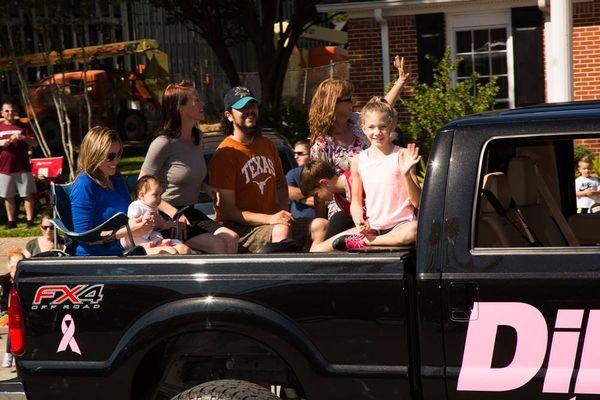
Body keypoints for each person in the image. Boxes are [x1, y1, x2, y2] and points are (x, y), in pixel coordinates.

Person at [209, 86, 328, 253]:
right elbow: (227, 211)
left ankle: (310, 276)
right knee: (281, 230)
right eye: (243, 107)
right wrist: (270, 219)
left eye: (253, 106)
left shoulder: (267, 144)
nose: (250, 110)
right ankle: (282, 278)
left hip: (273, 221)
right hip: (241, 229)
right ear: (229, 116)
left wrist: (282, 213)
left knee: (321, 225)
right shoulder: (225, 153)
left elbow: (280, 185)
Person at [308, 56, 408, 236]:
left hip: (377, 199)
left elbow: (382, 108)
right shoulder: (322, 144)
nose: (353, 102)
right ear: (333, 104)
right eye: (348, 99)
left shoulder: (356, 122)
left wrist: (400, 82)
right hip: (345, 208)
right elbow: (321, 189)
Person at [139, 81, 238, 254]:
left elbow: (185, 175)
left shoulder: (197, 138)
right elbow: (142, 185)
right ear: (181, 108)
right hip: (166, 217)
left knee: (231, 238)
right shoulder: (163, 143)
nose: (203, 104)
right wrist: (173, 213)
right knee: (218, 245)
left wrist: (206, 188)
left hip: (191, 212)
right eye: (196, 100)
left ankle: (225, 280)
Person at [311, 97, 421, 252]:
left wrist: (407, 174)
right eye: (371, 127)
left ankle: (368, 242)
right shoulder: (358, 161)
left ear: (392, 126)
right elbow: (355, 201)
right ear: (363, 128)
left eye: (383, 127)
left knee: (414, 231)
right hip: (372, 227)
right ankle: (367, 240)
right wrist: (358, 220)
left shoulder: (403, 155)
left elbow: (417, 202)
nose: (377, 132)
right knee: (320, 250)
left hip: (400, 226)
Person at [70, 126, 152, 256]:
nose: (116, 160)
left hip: (125, 247)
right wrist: (127, 231)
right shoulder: (84, 184)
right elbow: (84, 237)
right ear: (94, 155)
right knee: (169, 254)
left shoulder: (116, 178)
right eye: (110, 156)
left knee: (181, 250)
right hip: (96, 256)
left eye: (119, 154)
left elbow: (128, 215)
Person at [122, 175, 192, 255]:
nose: (159, 198)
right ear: (142, 195)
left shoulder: (153, 207)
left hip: (147, 234)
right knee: (137, 239)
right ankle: (144, 246)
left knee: (156, 234)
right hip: (133, 237)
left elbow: (158, 223)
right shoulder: (136, 205)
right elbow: (131, 222)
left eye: (160, 195)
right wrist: (143, 219)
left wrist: (166, 224)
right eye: (155, 195)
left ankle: (159, 242)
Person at [0, 101, 38, 228]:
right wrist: (2, 143)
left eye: (12, 111)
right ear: (2, 113)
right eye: (7, 111)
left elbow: (34, 143)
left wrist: (23, 137)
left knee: (27, 195)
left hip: (23, 167)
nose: (10, 113)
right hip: (4, 167)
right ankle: (11, 221)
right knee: (7, 196)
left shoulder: (23, 126)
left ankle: (29, 220)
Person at [1, 247, 29, 368]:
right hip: (7, 311)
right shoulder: (4, 281)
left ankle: (17, 354)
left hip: (22, 310)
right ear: (9, 267)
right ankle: (8, 354)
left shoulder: (25, 279)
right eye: (13, 267)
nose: (16, 270)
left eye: (19, 267)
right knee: (13, 327)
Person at [286, 139, 317, 219]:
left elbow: (327, 199)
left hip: (322, 220)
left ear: (311, 154)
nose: (295, 157)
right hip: (299, 221)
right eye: (294, 153)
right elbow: (289, 192)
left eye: (300, 153)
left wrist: (299, 199)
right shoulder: (293, 173)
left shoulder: (320, 171)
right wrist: (316, 193)